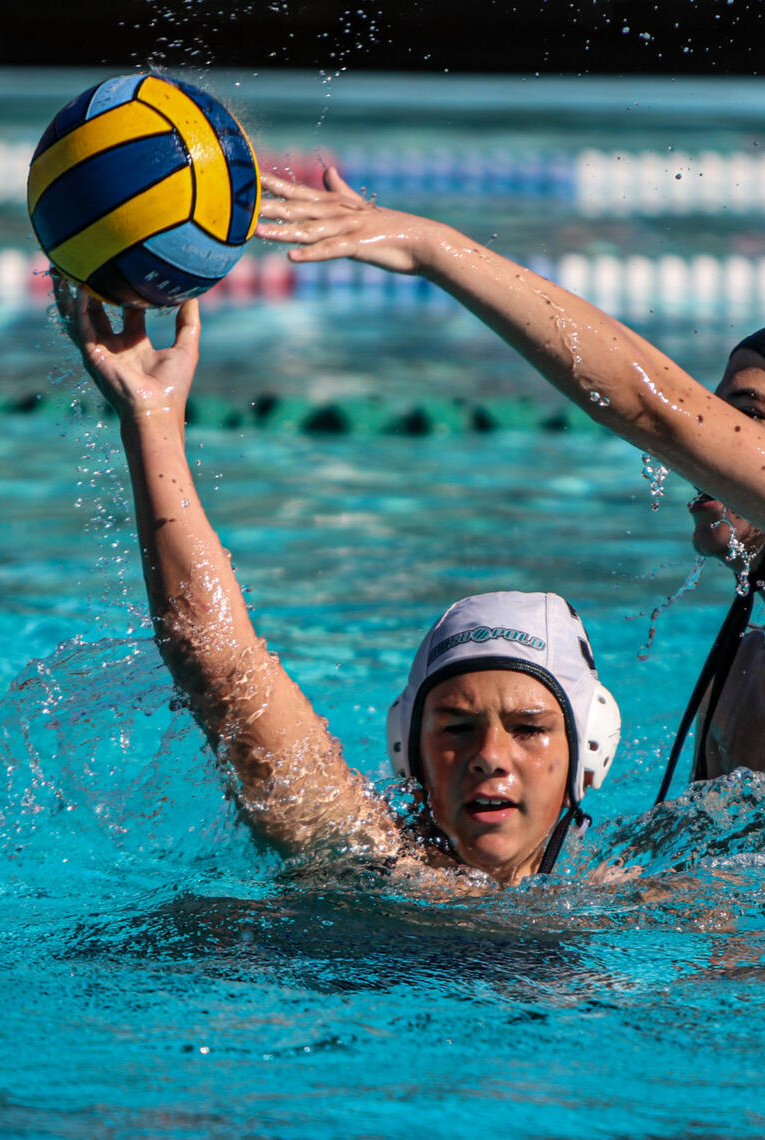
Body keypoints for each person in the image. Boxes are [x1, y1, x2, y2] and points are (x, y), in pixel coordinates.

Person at [257, 166, 765, 815]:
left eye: (744, 419)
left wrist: (431, 247)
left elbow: (656, 409)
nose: (714, 450)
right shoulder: (747, 677)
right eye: (718, 417)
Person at [50, 275, 620, 889]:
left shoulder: (646, 900)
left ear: (587, 749)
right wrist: (150, 418)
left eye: (530, 728)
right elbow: (220, 664)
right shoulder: (366, 857)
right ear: (410, 751)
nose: (488, 756)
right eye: (455, 727)